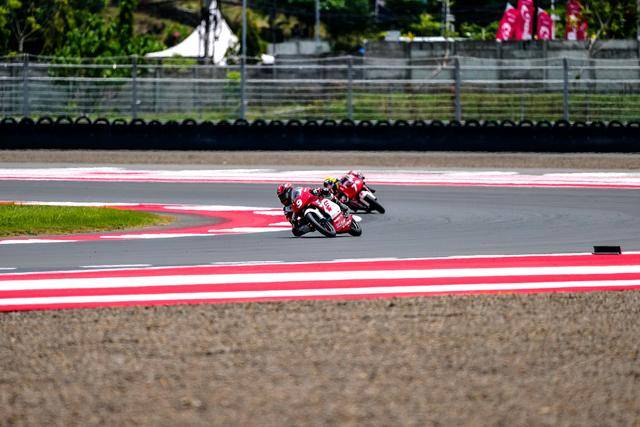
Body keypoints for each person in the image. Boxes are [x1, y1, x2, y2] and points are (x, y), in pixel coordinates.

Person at [277, 183, 349, 237]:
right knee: (295, 232)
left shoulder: (297, 191)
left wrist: (315, 191)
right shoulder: (286, 209)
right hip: (304, 216)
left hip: (311, 201)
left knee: (325, 191)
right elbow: (291, 221)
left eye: (283, 196)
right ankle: (312, 226)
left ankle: (341, 205)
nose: (282, 199)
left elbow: (307, 190)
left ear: (288, 192)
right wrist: (293, 222)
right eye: (281, 197)